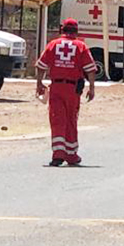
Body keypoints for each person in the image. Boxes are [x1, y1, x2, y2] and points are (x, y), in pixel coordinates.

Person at [36, 18, 97, 166]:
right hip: (72, 89)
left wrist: (39, 83)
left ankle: (58, 154)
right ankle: (71, 154)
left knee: (57, 119)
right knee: (71, 120)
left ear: (62, 30)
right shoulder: (81, 46)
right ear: (76, 31)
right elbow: (90, 69)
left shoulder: (53, 44)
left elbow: (41, 65)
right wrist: (92, 87)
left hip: (56, 87)